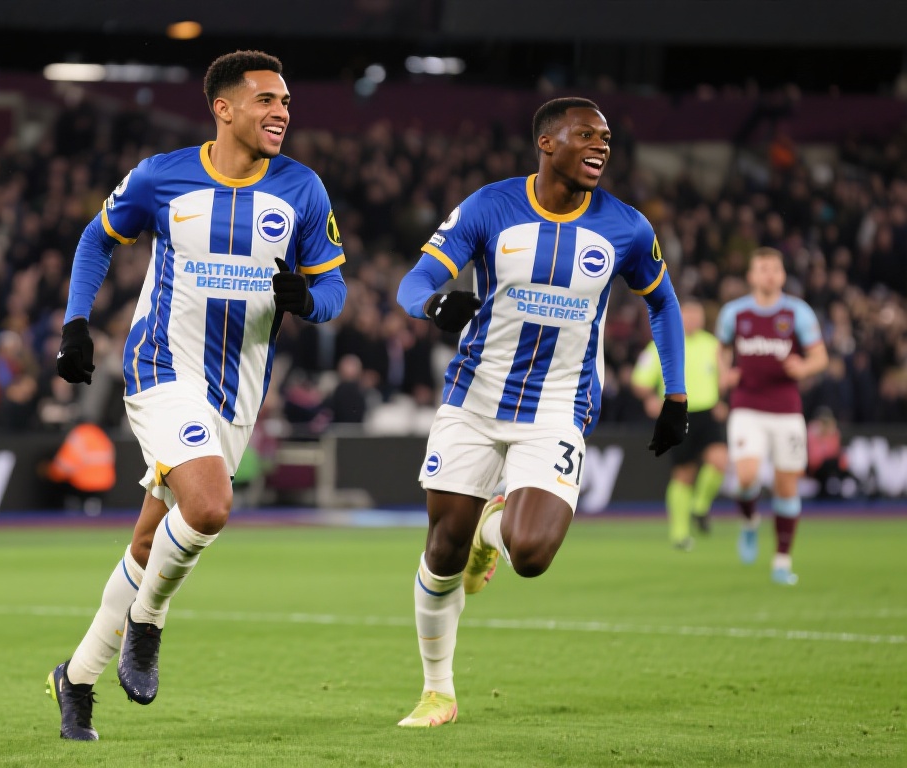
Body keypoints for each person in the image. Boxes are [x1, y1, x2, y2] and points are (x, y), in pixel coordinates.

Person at [45, 50, 347, 741]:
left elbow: (334, 288)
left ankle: (77, 679)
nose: (282, 112)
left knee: (150, 541)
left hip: (237, 391)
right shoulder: (162, 176)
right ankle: (147, 623)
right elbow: (97, 238)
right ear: (224, 108)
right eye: (267, 100)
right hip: (162, 368)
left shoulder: (302, 189)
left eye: (286, 101)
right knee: (208, 506)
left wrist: (308, 300)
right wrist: (75, 324)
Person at [394, 97, 688, 727]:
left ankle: (492, 532)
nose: (601, 146)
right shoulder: (489, 206)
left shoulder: (628, 228)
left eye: (606, 138)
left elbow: (663, 303)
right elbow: (414, 281)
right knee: (443, 550)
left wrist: (677, 394)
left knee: (530, 553)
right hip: (474, 399)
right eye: (586, 135)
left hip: (558, 406)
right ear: (548, 143)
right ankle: (438, 692)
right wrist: (433, 306)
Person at [715, 247, 827, 586]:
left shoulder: (797, 312)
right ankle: (750, 523)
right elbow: (721, 348)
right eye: (762, 269)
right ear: (751, 276)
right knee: (747, 475)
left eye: (774, 269)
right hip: (747, 405)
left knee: (786, 485)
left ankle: (781, 560)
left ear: (782, 275)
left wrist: (804, 367)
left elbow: (820, 356)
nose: (769, 275)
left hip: (786, 410)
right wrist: (724, 373)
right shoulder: (735, 313)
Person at [632, 299, 728, 549]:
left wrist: (722, 398)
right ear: (678, 316)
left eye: (698, 315)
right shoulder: (662, 343)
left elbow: (723, 378)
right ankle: (680, 533)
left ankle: (700, 506)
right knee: (683, 474)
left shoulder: (712, 344)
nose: (694, 320)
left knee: (719, 460)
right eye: (689, 315)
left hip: (707, 412)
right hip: (678, 413)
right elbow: (639, 380)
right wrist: (650, 398)